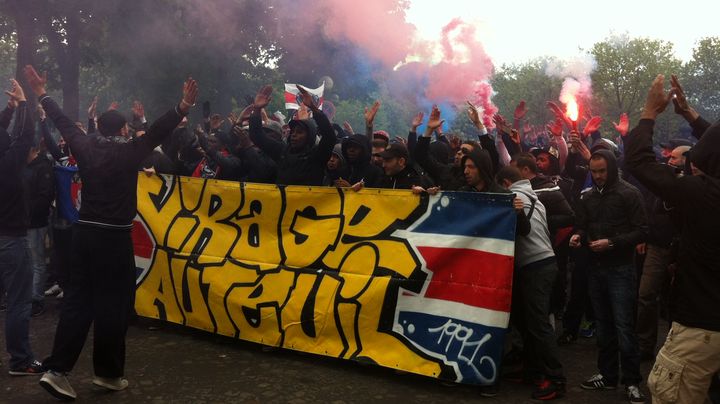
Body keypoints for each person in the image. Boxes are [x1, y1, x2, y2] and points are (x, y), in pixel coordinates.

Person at [24, 65, 199, 401]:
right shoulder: (128, 151)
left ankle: (57, 370)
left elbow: (62, 122)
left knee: (77, 302)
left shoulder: (84, 147)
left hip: (84, 234)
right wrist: (183, 107)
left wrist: (43, 93)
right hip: (115, 238)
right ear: (122, 130)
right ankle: (108, 374)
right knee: (112, 306)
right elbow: (157, 134)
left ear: (98, 128)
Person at [624, 74, 720, 404]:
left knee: (671, 393)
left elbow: (637, 161)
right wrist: (689, 114)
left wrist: (649, 111)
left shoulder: (704, 194)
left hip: (702, 326)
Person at [570, 149, 647, 403]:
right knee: (603, 325)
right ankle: (607, 374)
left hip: (621, 269)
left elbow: (641, 230)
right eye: (594, 171)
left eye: (602, 171)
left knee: (624, 326)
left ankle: (633, 381)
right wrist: (578, 235)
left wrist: (611, 243)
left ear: (612, 168)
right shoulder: (588, 197)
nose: (598, 176)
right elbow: (582, 223)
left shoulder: (629, 193)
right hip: (596, 268)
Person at [496, 165, 566, 401]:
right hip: (544, 263)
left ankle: (556, 379)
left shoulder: (514, 199)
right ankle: (533, 371)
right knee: (528, 322)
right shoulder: (533, 196)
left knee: (539, 325)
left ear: (506, 183)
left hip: (535, 265)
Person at [0, 79, 45, 376]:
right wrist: (25, 103)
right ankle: (20, 360)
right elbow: (27, 134)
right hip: (11, 240)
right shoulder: (8, 165)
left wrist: (9, 110)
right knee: (18, 301)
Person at [248, 85, 335, 186]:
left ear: (310, 135)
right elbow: (256, 135)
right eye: (293, 131)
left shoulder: (317, 156)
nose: (294, 135)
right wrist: (257, 110)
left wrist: (313, 108)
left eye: (299, 132)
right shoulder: (282, 152)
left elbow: (330, 137)